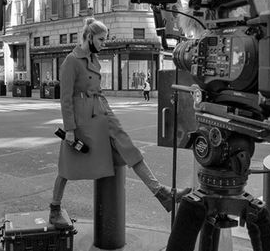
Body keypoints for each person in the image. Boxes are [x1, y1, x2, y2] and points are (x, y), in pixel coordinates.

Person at [49, 18, 191, 228]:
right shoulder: (71, 61)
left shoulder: (94, 59)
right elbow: (65, 98)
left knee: (130, 149)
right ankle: (54, 209)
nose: (103, 43)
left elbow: (98, 92)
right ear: (89, 37)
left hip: (103, 114)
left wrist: (107, 111)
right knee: (67, 167)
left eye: (105, 39)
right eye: (100, 39)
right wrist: (70, 129)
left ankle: (161, 192)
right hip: (81, 121)